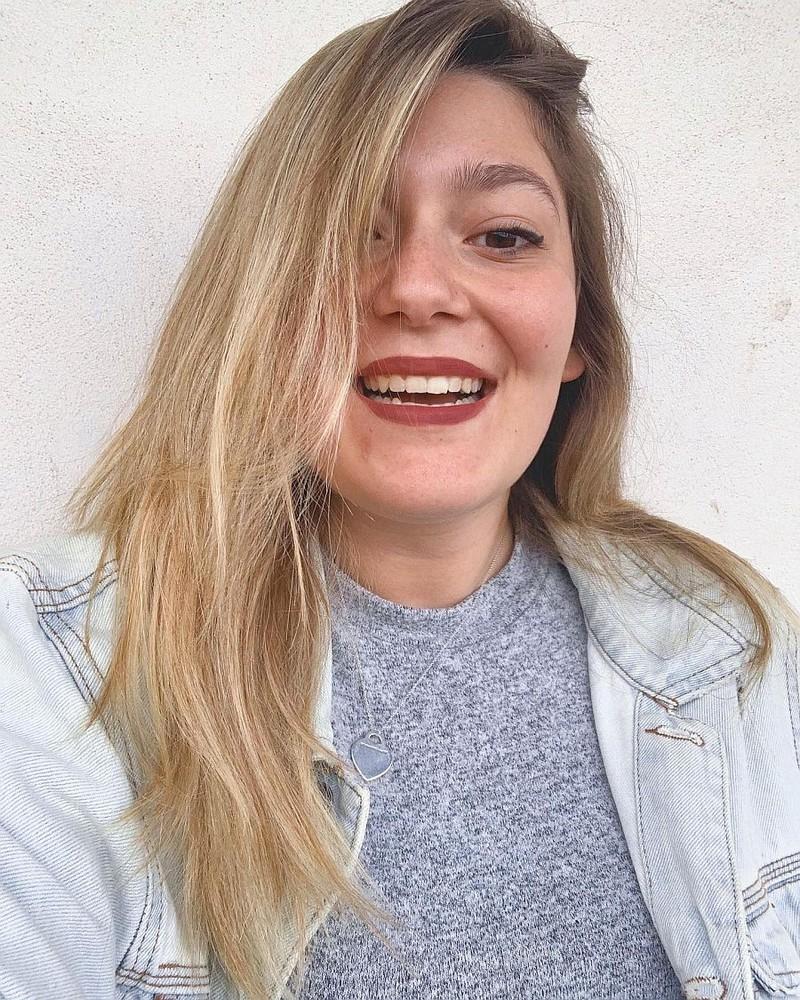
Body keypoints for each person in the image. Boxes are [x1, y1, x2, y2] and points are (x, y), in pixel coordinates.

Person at [1, 0, 798, 998]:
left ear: (580, 330)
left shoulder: (731, 649)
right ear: (260, 307)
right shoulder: (59, 667)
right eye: (345, 232)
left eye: (502, 235)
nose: (417, 288)